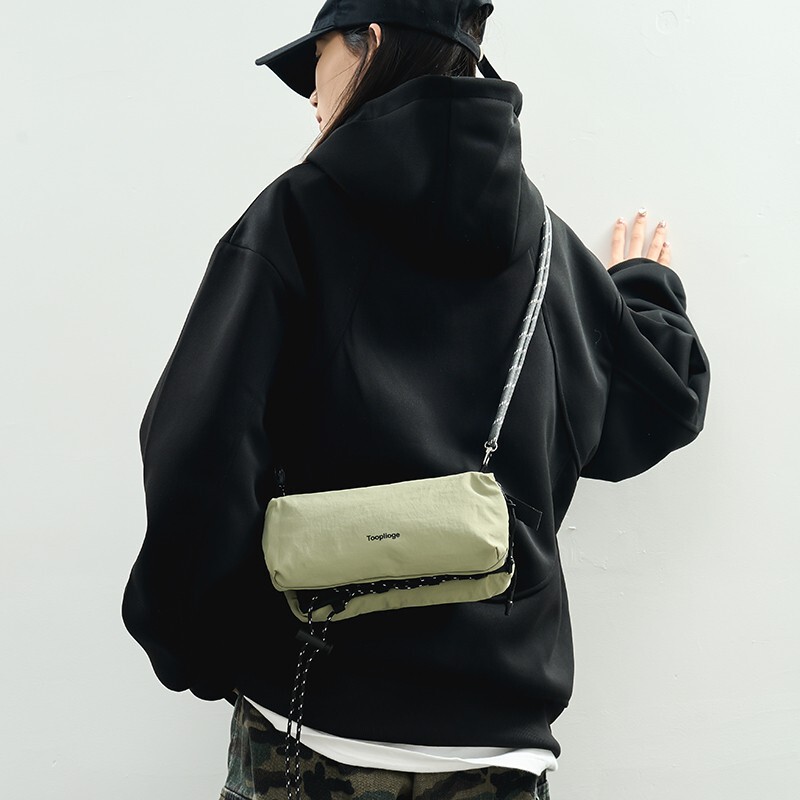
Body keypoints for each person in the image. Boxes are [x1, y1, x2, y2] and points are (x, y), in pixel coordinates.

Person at [121, 2, 711, 799]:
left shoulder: (294, 215)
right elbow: (657, 407)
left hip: (309, 726)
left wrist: (193, 651)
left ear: (368, 44)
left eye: (317, 62)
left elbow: (198, 451)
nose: (312, 95)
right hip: (498, 750)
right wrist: (643, 289)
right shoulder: (548, 248)